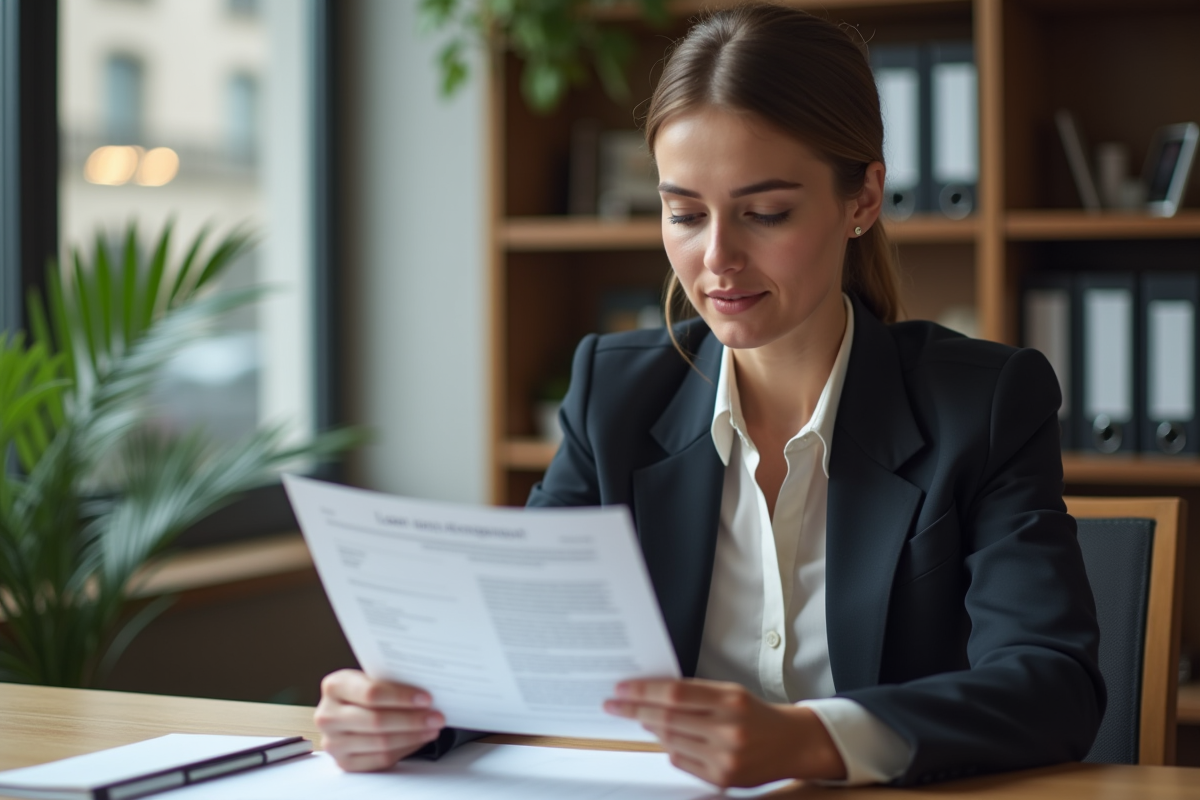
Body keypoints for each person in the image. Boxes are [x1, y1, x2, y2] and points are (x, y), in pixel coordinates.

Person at [314, 3, 1104, 788]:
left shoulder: (983, 405)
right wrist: (408, 714)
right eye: (685, 214)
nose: (717, 257)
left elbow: (1053, 685)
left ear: (863, 199)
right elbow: (522, 644)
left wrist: (812, 741)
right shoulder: (615, 395)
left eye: (765, 213)